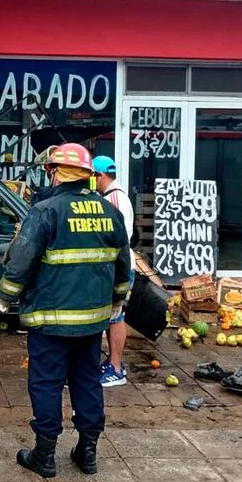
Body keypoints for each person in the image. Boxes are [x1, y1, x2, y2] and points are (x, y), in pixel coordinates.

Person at [0, 143, 131, 478]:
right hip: (91, 324)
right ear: (86, 174)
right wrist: (116, 300)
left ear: (56, 172)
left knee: (46, 384)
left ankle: (44, 456)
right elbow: (123, 266)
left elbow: (21, 260)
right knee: (87, 382)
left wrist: (5, 296)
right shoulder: (109, 212)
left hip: (50, 321)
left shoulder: (46, 210)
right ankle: (87, 453)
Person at [92, 155, 136, 388]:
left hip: (119, 269)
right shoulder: (115, 196)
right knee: (113, 317)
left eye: (93, 176)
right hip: (118, 267)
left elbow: (119, 239)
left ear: (101, 175)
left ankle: (116, 369)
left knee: (116, 317)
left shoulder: (114, 199)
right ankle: (113, 362)